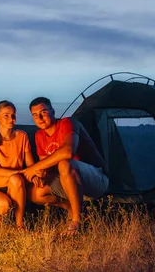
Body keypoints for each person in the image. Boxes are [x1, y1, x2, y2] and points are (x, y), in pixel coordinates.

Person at [22, 97, 109, 235]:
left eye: (43, 112)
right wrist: (41, 174)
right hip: (68, 181)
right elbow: (47, 165)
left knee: (65, 163)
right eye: (35, 115)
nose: (39, 117)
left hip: (96, 179)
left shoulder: (68, 123)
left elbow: (69, 151)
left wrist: (35, 167)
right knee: (35, 191)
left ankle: (77, 222)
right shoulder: (39, 135)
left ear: (53, 111)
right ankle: (72, 208)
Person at [0, 100, 34, 229]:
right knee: (2, 205)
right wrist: (24, 172)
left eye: (13, 115)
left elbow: (31, 164)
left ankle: (19, 226)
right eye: (6, 115)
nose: (11, 119)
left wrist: (35, 173)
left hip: (16, 184)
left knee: (16, 180)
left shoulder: (22, 136)